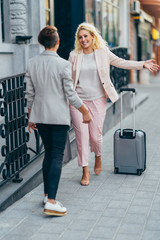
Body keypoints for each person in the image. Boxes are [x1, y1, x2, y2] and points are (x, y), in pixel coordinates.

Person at [69, 22, 159, 186]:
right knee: (81, 138)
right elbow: (68, 78)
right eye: (80, 37)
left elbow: (122, 62)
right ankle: (85, 170)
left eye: (86, 36)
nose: (83, 40)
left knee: (95, 137)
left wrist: (142, 64)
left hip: (97, 100)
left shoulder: (103, 53)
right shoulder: (74, 55)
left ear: (92, 36)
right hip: (78, 102)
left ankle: (97, 156)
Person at [25, 25, 91, 216]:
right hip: (58, 118)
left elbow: (30, 94)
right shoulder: (64, 65)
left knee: (49, 155)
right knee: (56, 156)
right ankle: (52, 202)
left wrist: (31, 117)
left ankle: (47, 195)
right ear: (58, 42)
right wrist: (85, 111)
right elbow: (70, 94)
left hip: (40, 116)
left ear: (41, 43)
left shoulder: (31, 63)